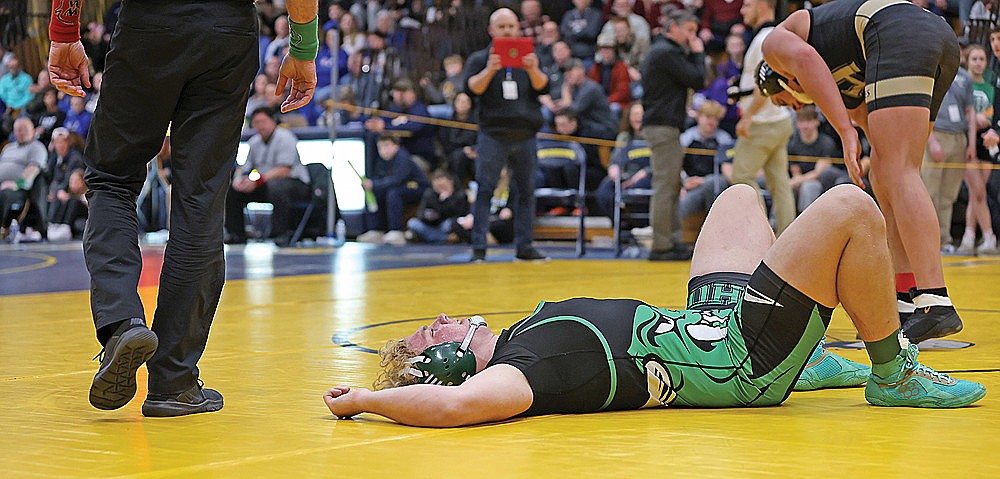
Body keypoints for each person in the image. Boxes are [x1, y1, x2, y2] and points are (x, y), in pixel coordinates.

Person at [322, 184, 987, 427]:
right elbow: (456, 406)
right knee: (850, 207)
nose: (441, 318)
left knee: (737, 197)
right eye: (429, 333)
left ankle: (807, 354)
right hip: (740, 362)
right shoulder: (522, 370)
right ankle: (893, 372)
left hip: (716, 329)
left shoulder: (527, 332)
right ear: (441, 359)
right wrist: (365, 398)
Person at [48, 0, 318, 416]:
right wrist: (303, 46)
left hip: (149, 24)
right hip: (227, 32)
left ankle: (123, 322)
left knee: (112, 179)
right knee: (201, 200)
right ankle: (173, 381)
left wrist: (64, 32)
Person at [758, 0, 964, 344]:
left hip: (899, 31)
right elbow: (868, 126)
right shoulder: (845, 76)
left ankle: (935, 301)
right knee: (886, 172)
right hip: (937, 36)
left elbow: (808, 62)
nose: (795, 106)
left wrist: (843, 131)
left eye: (785, 100)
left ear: (781, 76)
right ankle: (904, 297)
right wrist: (852, 131)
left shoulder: (774, 46)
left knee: (899, 172)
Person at [464, 7, 549, 263]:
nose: (507, 31)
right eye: (501, 27)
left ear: (518, 28)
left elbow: (544, 86)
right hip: (493, 133)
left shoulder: (530, 57)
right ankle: (479, 248)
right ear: (491, 30)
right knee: (485, 189)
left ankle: (525, 247)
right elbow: (471, 89)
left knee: (525, 191)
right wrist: (490, 70)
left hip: (525, 133)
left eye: (511, 26)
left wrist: (533, 69)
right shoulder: (480, 58)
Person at [640, 9, 705, 261]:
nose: (692, 36)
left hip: (665, 126)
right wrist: (698, 53)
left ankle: (672, 240)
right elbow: (698, 79)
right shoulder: (666, 52)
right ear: (672, 28)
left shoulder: (663, 51)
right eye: (689, 30)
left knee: (671, 185)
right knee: (665, 186)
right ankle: (661, 245)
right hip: (662, 126)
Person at [732, 0, 794, 236]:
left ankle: (760, 234)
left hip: (763, 123)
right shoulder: (769, 36)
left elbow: (764, 85)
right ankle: (787, 238)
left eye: (747, 4)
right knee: (780, 184)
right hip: (778, 121)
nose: (742, 10)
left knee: (741, 178)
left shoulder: (764, 39)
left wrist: (747, 116)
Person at [225, 107, 311, 246]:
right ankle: (236, 234)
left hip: (294, 184)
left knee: (277, 186)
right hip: (263, 183)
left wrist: (258, 180)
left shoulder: (286, 137)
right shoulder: (254, 142)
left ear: (273, 121)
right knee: (233, 190)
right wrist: (239, 180)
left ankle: (280, 234)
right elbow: (245, 168)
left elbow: (284, 170)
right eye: (256, 122)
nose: (260, 126)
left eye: (263, 121)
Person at [919, 54, 976, 255]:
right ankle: (928, 242)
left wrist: (972, 144)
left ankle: (945, 240)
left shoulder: (964, 78)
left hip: (959, 138)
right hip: (937, 136)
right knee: (930, 193)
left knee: (948, 196)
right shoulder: (929, 74)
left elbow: (970, 113)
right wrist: (931, 141)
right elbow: (923, 110)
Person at [958, 44, 998, 255]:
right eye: (974, 59)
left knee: (977, 193)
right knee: (978, 192)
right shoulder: (963, 84)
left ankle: (969, 235)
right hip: (968, 143)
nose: (978, 63)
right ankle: (988, 235)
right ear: (967, 60)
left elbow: (993, 115)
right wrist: (973, 118)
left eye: (982, 59)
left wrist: (986, 119)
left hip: (986, 145)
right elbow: (957, 110)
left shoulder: (991, 88)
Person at [356, 135, 430, 245]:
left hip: (418, 188)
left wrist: (374, 184)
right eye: (380, 147)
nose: (383, 150)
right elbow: (380, 179)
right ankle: (375, 230)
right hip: (399, 187)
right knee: (374, 192)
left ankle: (396, 230)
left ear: (396, 145)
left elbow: (396, 180)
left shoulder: (403, 158)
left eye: (386, 146)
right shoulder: (382, 161)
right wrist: (371, 185)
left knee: (393, 192)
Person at [787, 105, 839, 213]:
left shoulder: (826, 143)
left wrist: (796, 181)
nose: (805, 125)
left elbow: (818, 173)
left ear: (817, 122)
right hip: (801, 179)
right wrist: (794, 181)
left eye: (809, 121)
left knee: (809, 187)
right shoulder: (793, 143)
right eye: (801, 121)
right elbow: (796, 171)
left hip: (820, 182)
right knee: (786, 189)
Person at [0, 117, 47, 236]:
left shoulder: (37, 147)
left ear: (32, 130)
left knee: (4, 194)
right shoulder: (8, 147)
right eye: (18, 129)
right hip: (2, 185)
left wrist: (16, 184)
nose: (21, 132)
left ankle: (3, 228)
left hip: (19, 189)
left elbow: (33, 170)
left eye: (24, 129)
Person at [406, 170, 469, 244]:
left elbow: (460, 214)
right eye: (437, 187)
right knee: (412, 223)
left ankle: (431, 238)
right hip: (431, 225)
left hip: (447, 224)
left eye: (443, 186)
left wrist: (446, 201)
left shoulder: (460, 194)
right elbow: (420, 213)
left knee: (449, 224)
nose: (441, 189)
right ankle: (445, 238)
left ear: (450, 182)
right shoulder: (429, 194)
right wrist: (427, 216)